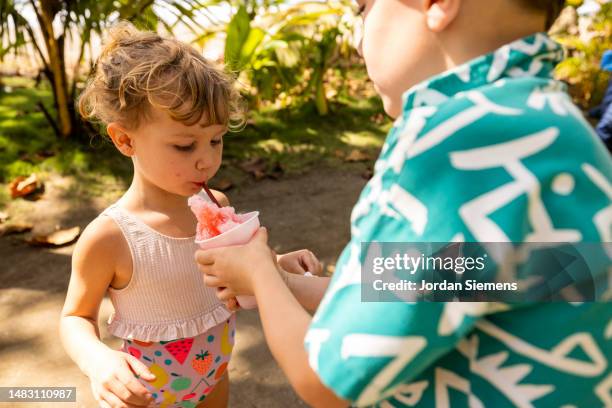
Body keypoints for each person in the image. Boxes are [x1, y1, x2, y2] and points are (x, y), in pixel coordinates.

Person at [196, 0, 612, 406]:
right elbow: (483, 281)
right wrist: (286, 283)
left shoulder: (454, 146)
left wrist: (260, 276)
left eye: (363, 9)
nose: (359, 42)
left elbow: (330, 383)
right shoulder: (558, 132)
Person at [59, 22, 323, 408]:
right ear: (125, 140)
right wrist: (96, 360)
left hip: (214, 374)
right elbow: (75, 317)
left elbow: (230, 273)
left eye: (215, 140)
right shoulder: (110, 237)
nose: (207, 159)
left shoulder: (215, 204)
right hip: (145, 395)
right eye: (184, 146)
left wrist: (279, 265)